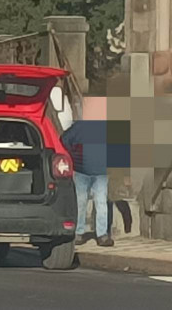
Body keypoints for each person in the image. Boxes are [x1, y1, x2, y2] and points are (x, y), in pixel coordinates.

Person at [61, 96, 115, 247]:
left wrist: (72, 156)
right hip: (99, 170)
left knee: (81, 202)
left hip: (83, 169)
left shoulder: (80, 126)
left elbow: (64, 139)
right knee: (101, 202)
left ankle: (79, 234)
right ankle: (102, 235)